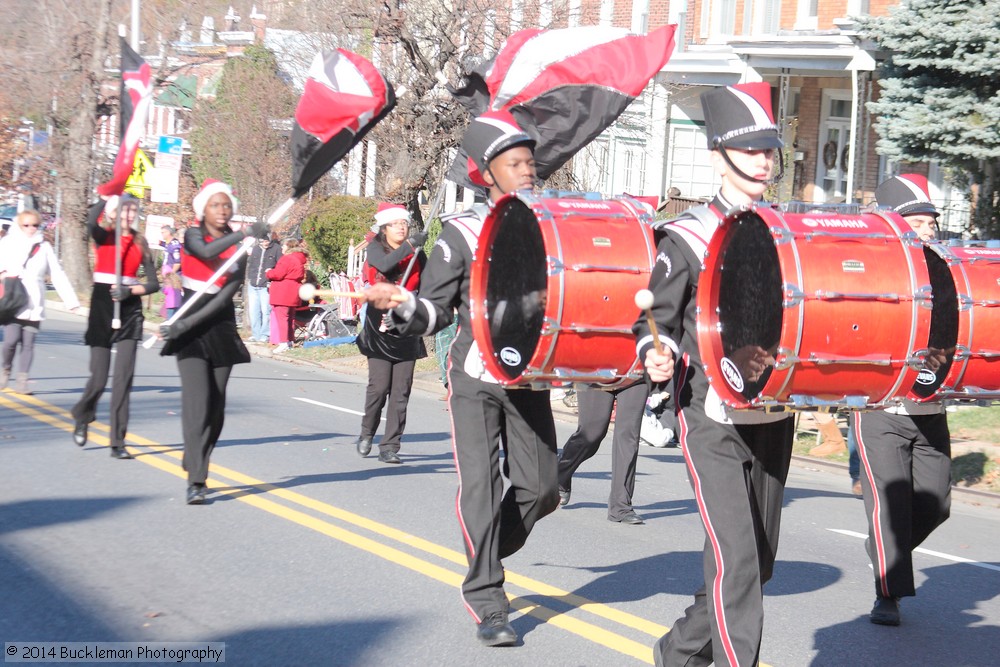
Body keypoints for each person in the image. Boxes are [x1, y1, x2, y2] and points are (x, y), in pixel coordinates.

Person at [365, 111, 559, 647]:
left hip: (529, 375)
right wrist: (405, 303)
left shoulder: (548, 224)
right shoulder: (463, 231)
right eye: (514, 164)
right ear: (487, 172)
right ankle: (488, 600)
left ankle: (486, 549)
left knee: (544, 488)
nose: (527, 171)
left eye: (529, 162)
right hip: (474, 374)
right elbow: (437, 310)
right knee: (481, 483)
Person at [634, 82, 795, 667]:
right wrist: (657, 354)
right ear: (718, 157)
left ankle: (677, 652)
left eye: (768, 149)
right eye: (749, 149)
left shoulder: (787, 234)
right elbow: (651, 316)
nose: (762, 160)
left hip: (774, 408)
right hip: (712, 411)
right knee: (738, 561)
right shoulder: (687, 236)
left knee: (760, 559)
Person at [855, 173, 953, 626]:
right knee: (889, 506)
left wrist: (936, 370)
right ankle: (887, 595)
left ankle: (884, 545)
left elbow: (954, 332)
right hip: (880, 410)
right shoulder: (872, 270)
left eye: (931, 219)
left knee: (936, 503)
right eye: (919, 219)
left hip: (930, 406)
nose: (929, 226)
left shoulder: (944, 269)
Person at [159, 179, 266, 505]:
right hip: (189, 330)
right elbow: (205, 251)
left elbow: (224, 299)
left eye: (226, 205)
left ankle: (195, 454)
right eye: (215, 204)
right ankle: (197, 478)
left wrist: (244, 241)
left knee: (216, 409)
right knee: (197, 403)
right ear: (203, 209)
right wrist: (245, 232)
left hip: (218, 326)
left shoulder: (239, 250)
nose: (222, 210)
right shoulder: (192, 235)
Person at [71, 195, 159, 459]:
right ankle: (83, 414)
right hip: (102, 306)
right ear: (113, 213)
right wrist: (106, 194)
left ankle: (117, 441)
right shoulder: (103, 236)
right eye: (123, 210)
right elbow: (90, 221)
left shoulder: (141, 242)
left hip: (129, 309)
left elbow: (154, 284)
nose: (128, 215)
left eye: (133, 211)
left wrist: (131, 290)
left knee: (124, 378)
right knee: (99, 378)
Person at [355, 203, 427, 464]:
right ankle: (367, 433)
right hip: (380, 323)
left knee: (401, 391)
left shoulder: (417, 253)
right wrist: (410, 246)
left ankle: (390, 446)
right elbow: (385, 265)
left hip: (407, 322)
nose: (401, 227)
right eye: (395, 224)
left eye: (404, 223)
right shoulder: (376, 247)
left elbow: (429, 284)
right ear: (384, 228)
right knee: (379, 387)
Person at [0, 210, 80, 393]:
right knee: (11, 340)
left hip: (35, 301)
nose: (30, 228)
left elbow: (57, 273)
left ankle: (23, 379)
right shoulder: (8, 242)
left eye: (34, 225)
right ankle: (5, 368)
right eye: (26, 225)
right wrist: (4, 273)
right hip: (13, 298)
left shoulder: (44, 246)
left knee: (28, 342)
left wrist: (71, 301)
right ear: (19, 225)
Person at [557, 381, 649, 524]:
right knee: (591, 434)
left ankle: (621, 507)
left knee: (628, 436)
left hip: (636, 370)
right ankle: (560, 473)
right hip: (597, 368)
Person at [266, 237, 308, 353]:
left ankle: (283, 342)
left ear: (289, 247)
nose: (281, 248)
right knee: (290, 318)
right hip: (293, 290)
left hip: (283, 292)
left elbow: (278, 274)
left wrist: (268, 272)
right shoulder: (299, 258)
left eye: (283, 246)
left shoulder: (287, 259)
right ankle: (289, 341)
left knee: (282, 318)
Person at [245, 232, 280, 343]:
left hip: (266, 285)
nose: (264, 243)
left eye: (266, 241)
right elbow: (251, 264)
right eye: (262, 241)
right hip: (253, 284)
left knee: (266, 311)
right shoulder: (255, 249)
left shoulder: (276, 249)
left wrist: (271, 276)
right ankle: (256, 334)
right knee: (254, 311)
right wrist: (250, 277)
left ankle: (265, 334)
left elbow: (280, 265)